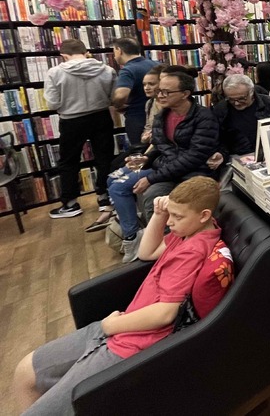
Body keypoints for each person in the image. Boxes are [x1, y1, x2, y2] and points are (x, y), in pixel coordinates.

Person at [13, 177, 230, 415]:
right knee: (25, 372)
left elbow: (165, 313)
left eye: (177, 217)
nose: (172, 221)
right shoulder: (188, 231)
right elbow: (146, 252)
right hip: (122, 325)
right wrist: (159, 215)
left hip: (130, 342)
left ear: (204, 215)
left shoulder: (193, 249)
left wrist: (110, 325)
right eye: (172, 214)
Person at [109, 71, 220, 263]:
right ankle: (149, 244)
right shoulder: (161, 116)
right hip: (169, 169)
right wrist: (147, 159)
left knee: (158, 193)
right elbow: (162, 147)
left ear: (185, 94)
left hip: (193, 173)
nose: (159, 95)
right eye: (159, 91)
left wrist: (152, 176)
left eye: (166, 92)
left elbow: (194, 157)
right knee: (146, 194)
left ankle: (173, 251)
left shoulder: (203, 117)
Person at [85, 66, 164, 233]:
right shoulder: (150, 103)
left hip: (157, 156)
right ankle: (121, 215)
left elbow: (160, 141)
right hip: (149, 150)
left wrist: (146, 155)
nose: (147, 88)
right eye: (144, 84)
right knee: (112, 174)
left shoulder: (166, 108)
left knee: (118, 184)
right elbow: (149, 130)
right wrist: (146, 136)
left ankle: (130, 234)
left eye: (151, 84)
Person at [43, 39, 117, 219]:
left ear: (64, 55)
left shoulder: (55, 72)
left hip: (71, 120)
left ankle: (70, 203)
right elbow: (114, 96)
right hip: (100, 116)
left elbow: (52, 103)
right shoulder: (107, 70)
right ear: (86, 52)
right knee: (104, 157)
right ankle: (104, 197)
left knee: (68, 161)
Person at [211, 74, 270, 164]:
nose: (236, 103)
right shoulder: (221, 110)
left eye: (241, 99)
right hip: (237, 158)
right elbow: (219, 141)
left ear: (251, 92)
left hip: (269, 154)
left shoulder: (269, 103)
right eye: (231, 99)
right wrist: (221, 155)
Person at [110, 37, 159, 148]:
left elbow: (121, 94)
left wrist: (117, 106)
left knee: (140, 150)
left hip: (138, 118)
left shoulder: (128, 70)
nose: (114, 56)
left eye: (114, 52)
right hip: (159, 113)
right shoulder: (157, 65)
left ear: (119, 50)